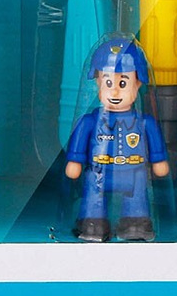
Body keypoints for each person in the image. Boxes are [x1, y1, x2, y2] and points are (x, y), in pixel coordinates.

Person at [64, 37, 169, 242]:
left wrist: (159, 161)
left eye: (122, 83)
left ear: (137, 83)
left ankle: (135, 222)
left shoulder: (144, 122)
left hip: (133, 173)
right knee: (93, 188)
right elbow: (79, 143)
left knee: (138, 192)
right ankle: (93, 222)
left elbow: (155, 144)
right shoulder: (90, 121)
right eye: (108, 82)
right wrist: (75, 161)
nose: (114, 91)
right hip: (99, 172)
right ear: (98, 82)